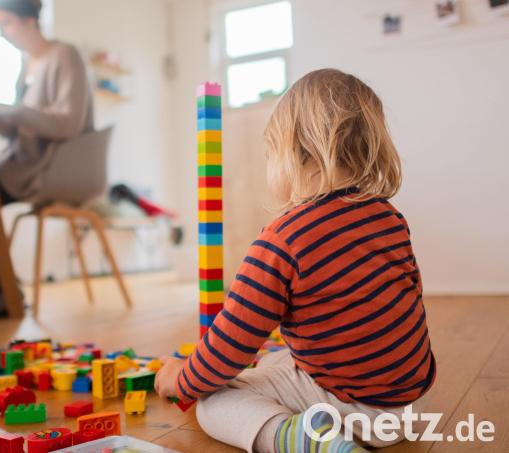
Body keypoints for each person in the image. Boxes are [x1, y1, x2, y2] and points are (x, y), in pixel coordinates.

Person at [154, 69, 435, 452]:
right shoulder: (389, 218)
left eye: (271, 152)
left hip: (352, 408)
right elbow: (406, 299)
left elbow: (233, 341)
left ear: (298, 153)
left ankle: (303, 440)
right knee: (275, 359)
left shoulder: (283, 240)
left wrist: (183, 378)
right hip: (403, 410)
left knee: (214, 401)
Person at [0, 0, 93, 320]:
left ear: (28, 20)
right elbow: (26, 126)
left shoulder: (64, 55)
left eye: (5, 24)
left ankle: (2, 291)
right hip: (24, 164)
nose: (2, 34)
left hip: (50, 168)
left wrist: (9, 111)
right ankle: (4, 288)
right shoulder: (26, 66)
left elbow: (68, 123)